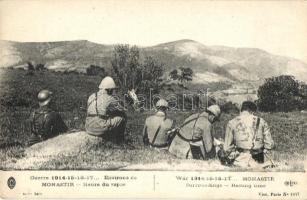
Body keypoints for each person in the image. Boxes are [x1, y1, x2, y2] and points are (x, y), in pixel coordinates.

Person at [223, 101, 274, 167]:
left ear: (241, 110)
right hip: (258, 159)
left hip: (240, 160)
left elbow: (227, 148)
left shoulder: (232, 122)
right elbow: (269, 144)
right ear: (252, 111)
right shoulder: (261, 121)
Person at [85, 76, 126, 143]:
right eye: (112, 90)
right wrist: (116, 97)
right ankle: (120, 141)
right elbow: (122, 109)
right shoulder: (110, 98)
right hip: (99, 128)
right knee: (122, 117)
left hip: (88, 127)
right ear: (109, 89)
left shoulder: (91, 96)